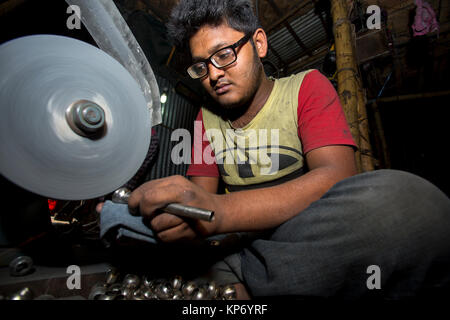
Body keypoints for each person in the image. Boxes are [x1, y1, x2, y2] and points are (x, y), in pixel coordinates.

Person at [102, 0, 450, 299]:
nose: (214, 74)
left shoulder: (306, 88)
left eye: (224, 55)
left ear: (259, 44)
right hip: (241, 248)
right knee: (148, 241)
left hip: (306, 237)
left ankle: (255, 288)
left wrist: (221, 212)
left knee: (411, 205)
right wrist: (157, 215)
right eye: (201, 66)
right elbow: (200, 203)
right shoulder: (205, 118)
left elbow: (336, 178)